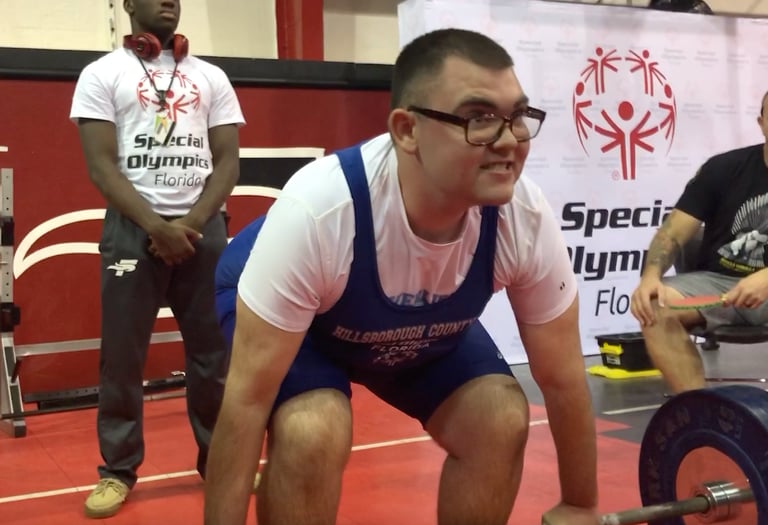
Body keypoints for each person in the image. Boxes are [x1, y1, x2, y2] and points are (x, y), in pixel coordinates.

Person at [205, 28, 598, 525]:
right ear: (407, 130)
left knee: (497, 417)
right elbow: (245, 404)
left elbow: (561, 377)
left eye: (517, 117)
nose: (508, 142)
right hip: (301, 319)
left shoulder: (523, 215)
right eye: (479, 119)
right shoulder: (323, 210)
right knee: (313, 430)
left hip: (401, 323)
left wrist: (579, 504)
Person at [69, 0, 244, 518]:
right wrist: (155, 227)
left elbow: (228, 163)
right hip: (133, 231)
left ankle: (218, 462)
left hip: (202, 231)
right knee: (122, 358)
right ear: (127, 4)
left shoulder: (211, 76)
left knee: (214, 357)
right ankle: (117, 471)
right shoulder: (102, 73)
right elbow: (101, 167)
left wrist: (190, 226)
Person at [630, 91, 768, 394]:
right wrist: (650, 276)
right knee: (654, 305)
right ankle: (699, 409)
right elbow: (672, 232)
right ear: (761, 123)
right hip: (719, 287)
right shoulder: (723, 168)